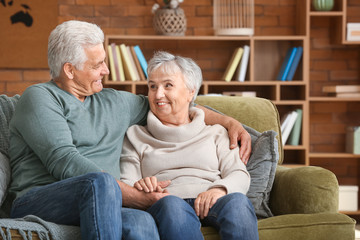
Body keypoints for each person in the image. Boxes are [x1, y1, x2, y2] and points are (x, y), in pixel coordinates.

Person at [8, 20, 252, 239]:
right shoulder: (40, 97)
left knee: (141, 223)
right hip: (41, 198)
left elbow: (171, 105)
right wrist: (132, 195)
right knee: (101, 183)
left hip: (108, 199)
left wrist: (229, 122)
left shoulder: (114, 102)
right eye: (98, 64)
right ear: (70, 70)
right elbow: (63, 160)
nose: (106, 70)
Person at [120, 51, 259, 240]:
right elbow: (127, 183)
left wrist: (220, 189)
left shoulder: (216, 132)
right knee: (173, 206)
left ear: (190, 92)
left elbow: (238, 173)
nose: (158, 94)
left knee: (238, 202)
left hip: (213, 198)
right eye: (152, 86)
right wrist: (141, 186)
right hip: (167, 202)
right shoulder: (135, 135)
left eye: (168, 85)